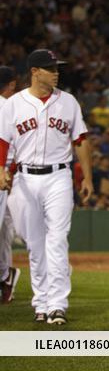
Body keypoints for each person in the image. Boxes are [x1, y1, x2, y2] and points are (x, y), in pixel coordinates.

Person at [0, 49, 94, 324]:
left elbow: (81, 140)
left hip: (59, 177)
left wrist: (86, 177)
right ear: (34, 72)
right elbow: (3, 142)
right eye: (50, 68)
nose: (56, 72)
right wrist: (1, 169)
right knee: (35, 244)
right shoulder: (14, 104)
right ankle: (41, 303)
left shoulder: (68, 102)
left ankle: (57, 304)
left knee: (57, 239)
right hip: (25, 179)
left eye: (57, 68)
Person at [0, 66, 20, 304]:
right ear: (12, 85)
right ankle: (5, 275)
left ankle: (5, 275)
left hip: (5, 175)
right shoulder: (8, 107)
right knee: (5, 231)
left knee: (5, 230)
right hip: (6, 174)